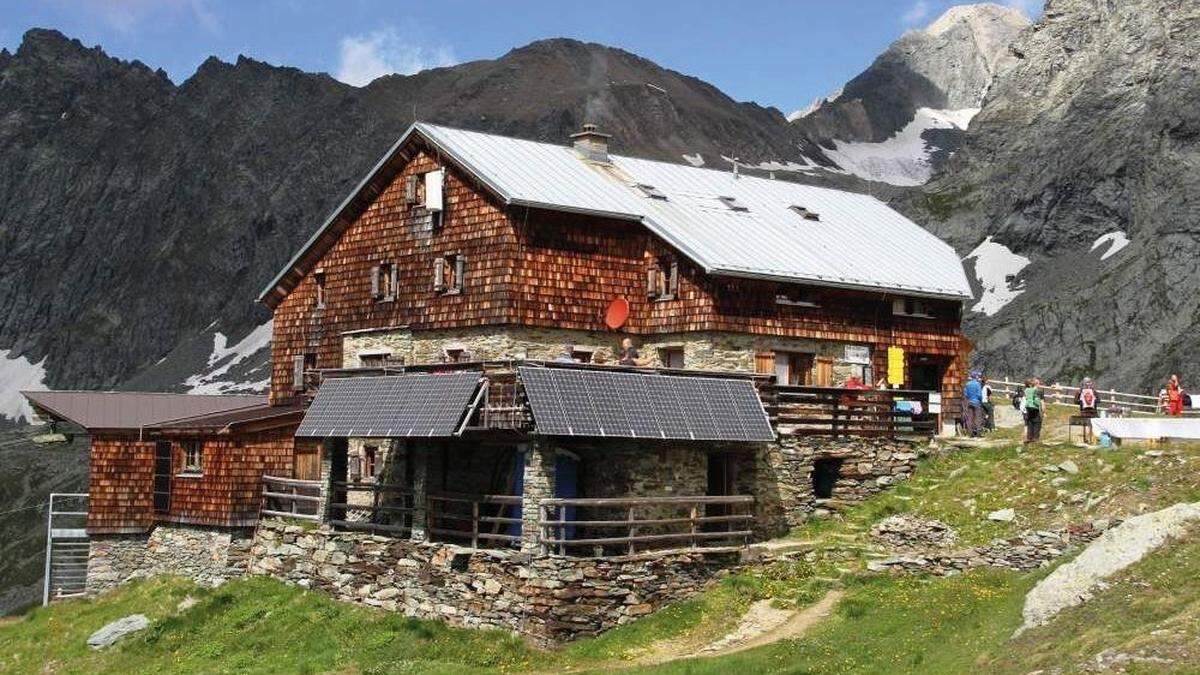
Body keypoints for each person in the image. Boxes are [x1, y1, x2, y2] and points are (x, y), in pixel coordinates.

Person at [1076, 377, 1100, 444]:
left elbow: (1099, 400)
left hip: (1093, 412)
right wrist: (1082, 401)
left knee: (1093, 426)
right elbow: (1075, 401)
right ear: (1083, 383)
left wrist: (1093, 400)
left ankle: (1092, 439)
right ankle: (1085, 439)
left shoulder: (1094, 391)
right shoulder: (1080, 392)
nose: (1088, 384)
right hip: (1084, 412)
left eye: (1089, 382)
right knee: (1085, 426)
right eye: (1086, 382)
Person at [1023, 378, 1045, 445]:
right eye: (1039, 383)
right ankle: (1035, 439)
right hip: (1036, 408)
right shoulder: (1038, 391)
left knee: (1030, 423)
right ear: (1036, 384)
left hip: (1028, 408)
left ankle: (1029, 438)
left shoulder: (1026, 390)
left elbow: (1025, 399)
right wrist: (1043, 411)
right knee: (1037, 423)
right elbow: (1041, 402)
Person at [962, 371, 984, 437]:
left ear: (971, 376)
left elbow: (965, 394)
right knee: (977, 417)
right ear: (976, 376)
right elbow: (979, 395)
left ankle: (970, 433)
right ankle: (978, 433)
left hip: (969, 402)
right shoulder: (978, 384)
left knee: (970, 418)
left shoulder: (967, 384)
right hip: (976, 402)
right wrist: (981, 400)